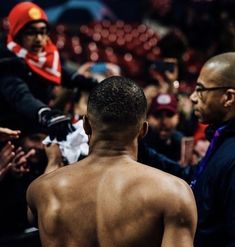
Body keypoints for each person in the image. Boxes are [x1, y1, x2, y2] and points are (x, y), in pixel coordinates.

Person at [27, 76, 197, 247]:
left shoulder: (42, 190)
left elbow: (35, 217)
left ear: (86, 124)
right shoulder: (174, 194)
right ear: (143, 130)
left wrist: (53, 163)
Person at [0, 2, 97, 141]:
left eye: (43, 31)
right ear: (17, 34)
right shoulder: (6, 61)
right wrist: (45, 113)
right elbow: (20, 96)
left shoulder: (45, 58)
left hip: (36, 128)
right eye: (31, 33)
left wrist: (97, 84)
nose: (39, 39)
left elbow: (67, 75)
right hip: (12, 135)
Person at [189, 52, 235, 247]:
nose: (192, 97)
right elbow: (194, 178)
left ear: (228, 98)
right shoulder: (222, 139)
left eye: (201, 90)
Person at [142, 92, 184, 162]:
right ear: (147, 118)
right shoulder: (141, 145)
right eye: (158, 115)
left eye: (169, 115)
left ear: (178, 117)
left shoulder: (182, 143)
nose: (164, 122)